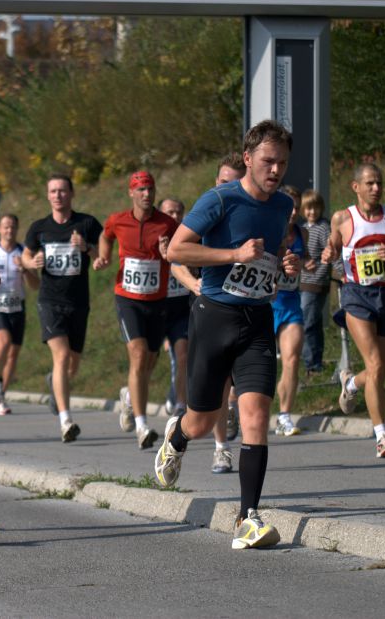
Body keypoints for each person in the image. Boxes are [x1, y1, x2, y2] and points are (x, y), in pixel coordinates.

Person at [156, 120, 300, 550]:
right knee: (201, 421)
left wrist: (284, 267)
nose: (275, 170)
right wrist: (233, 254)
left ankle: (248, 517)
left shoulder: (282, 207)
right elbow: (178, 249)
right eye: (268, 161)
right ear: (248, 157)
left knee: (255, 417)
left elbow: (268, 261)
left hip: (257, 322)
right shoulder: (219, 199)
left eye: (283, 163)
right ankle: (177, 437)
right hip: (213, 316)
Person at [321, 163, 385, 457]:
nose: (376, 188)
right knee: (375, 365)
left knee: (379, 372)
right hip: (356, 296)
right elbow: (333, 247)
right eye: (370, 183)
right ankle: (382, 436)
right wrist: (329, 253)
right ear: (356, 187)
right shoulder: (343, 218)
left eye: (379, 183)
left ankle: (350, 383)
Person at [171, 153, 247, 475]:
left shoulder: (252, 213)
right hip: (209, 308)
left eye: (234, 182)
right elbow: (176, 263)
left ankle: (227, 417)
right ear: (216, 182)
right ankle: (221, 448)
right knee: (220, 383)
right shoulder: (208, 211)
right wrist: (194, 283)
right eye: (222, 181)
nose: (227, 187)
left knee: (234, 381)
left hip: (246, 308)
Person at [95, 171, 176, 449]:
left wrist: (169, 252)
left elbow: (181, 248)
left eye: (150, 189)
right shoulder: (118, 220)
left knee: (149, 362)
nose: (146, 194)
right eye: (140, 189)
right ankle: (142, 427)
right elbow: (105, 236)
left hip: (157, 299)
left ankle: (129, 397)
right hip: (127, 298)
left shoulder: (167, 223)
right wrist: (104, 256)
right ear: (131, 193)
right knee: (139, 354)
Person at [22, 174, 102, 442]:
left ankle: (53, 383)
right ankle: (66, 421)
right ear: (48, 196)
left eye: (62, 191)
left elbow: (104, 253)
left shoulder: (86, 223)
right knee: (62, 355)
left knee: (72, 366)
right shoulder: (39, 228)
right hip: (49, 301)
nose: (58, 195)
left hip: (79, 302)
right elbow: (25, 255)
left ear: (71, 194)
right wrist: (33, 261)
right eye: (53, 191)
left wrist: (88, 248)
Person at [0, 214, 39, 415]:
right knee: (3, 342)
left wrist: (24, 269)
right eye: (5, 227)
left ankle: (0, 396)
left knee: (13, 355)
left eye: (13, 227)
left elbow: (35, 285)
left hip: (17, 307)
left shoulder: (24, 251)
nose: (9, 231)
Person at [271, 186, 314, 437]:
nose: (294, 211)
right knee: (257, 364)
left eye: (297, 206)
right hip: (265, 304)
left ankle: (285, 415)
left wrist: (307, 262)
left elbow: (305, 259)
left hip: (290, 303)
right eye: (290, 205)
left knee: (292, 359)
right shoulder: (267, 230)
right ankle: (235, 406)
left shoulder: (301, 233)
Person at [158, 197, 190, 419]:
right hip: (155, 310)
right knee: (145, 361)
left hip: (181, 310)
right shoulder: (153, 237)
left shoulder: (190, 238)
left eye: (178, 212)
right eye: (170, 212)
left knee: (183, 356)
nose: (175, 216)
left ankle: (180, 403)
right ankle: (131, 395)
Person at [299, 189, 332, 374]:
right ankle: (316, 362)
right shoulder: (304, 228)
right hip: (304, 283)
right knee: (314, 322)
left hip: (316, 283)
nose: (313, 212)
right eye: (309, 208)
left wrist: (338, 273)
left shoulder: (323, 227)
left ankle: (311, 364)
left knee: (307, 323)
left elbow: (330, 253)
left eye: (316, 208)